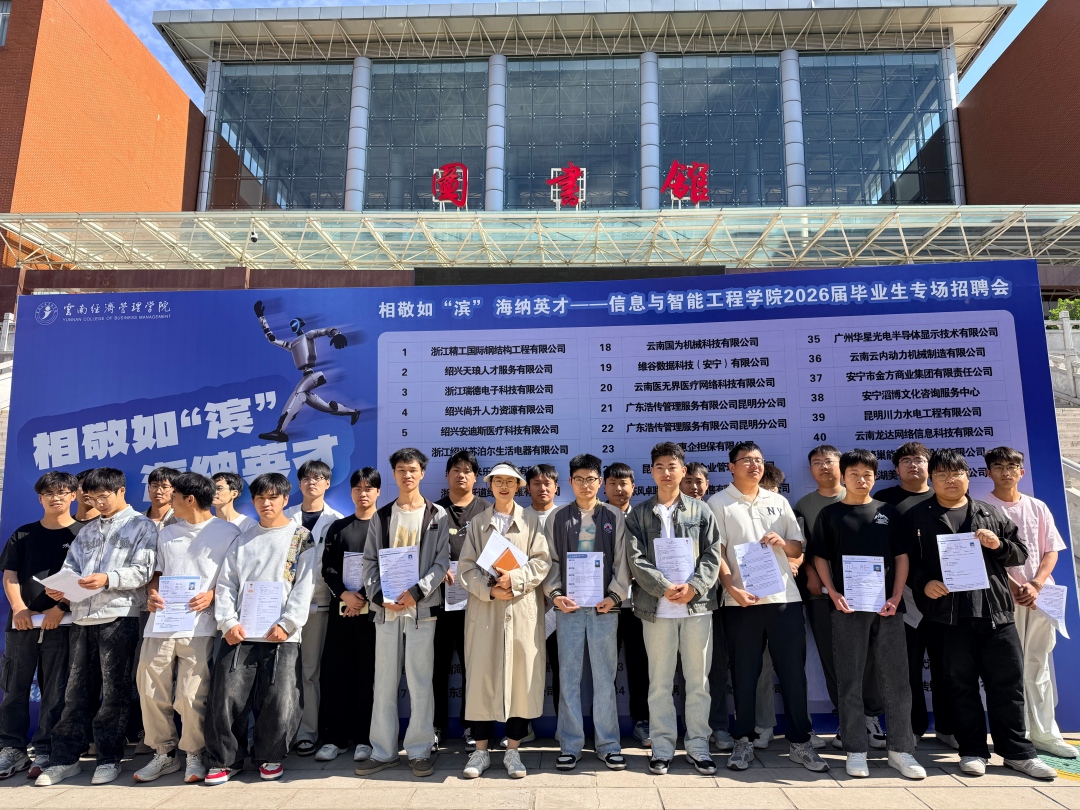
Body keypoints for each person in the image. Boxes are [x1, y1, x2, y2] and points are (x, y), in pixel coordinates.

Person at [907, 448, 1055, 780]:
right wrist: (924, 583)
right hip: (948, 617)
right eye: (942, 475)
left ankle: (1018, 753)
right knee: (960, 686)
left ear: (968, 477)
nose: (950, 480)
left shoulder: (989, 513)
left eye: (956, 473)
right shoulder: (917, 517)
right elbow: (907, 562)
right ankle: (972, 750)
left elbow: (1020, 553)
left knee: (1007, 685)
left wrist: (997, 545)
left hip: (995, 613)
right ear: (932, 479)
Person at [709, 442, 828, 773]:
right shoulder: (718, 503)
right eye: (746, 460)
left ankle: (800, 742)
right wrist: (731, 587)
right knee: (744, 674)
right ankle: (743, 741)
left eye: (759, 460)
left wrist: (782, 543)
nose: (754, 465)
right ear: (731, 467)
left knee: (793, 674)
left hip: (784, 600)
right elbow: (717, 552)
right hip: (741, 602)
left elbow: (797, 547)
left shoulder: (778, 501)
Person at [35, 468, 157, 787]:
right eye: (91, 498)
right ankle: (65, 760)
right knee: (75, 692)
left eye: (104, 497)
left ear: (121, 491)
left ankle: (108, 758)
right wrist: (61, 590)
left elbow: (145, 571)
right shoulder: (87, 530)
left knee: (114, 693)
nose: (98, 504)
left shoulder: (141, 525)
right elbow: (71, 567)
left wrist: (108, 578)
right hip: (81, 618)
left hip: (119, 616)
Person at [809, 449, 925, 780]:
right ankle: (856, 750)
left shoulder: (888, 512)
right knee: (850, 680)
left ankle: (900, 750)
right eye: (855, 474)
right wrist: (833, 592)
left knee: (897, 680)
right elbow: (820, 557)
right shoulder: (830, 514)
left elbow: (902, 557)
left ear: (875, 477)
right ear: (843, 477)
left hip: (888, 607)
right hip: (847, 608)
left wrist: (896, 595)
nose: (862, 480)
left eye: (868, 474)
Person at [204, 472, 316, 785]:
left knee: (280, 698)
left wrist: (288, 623)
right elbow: (226, 584)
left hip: (282, 634)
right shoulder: (243, 539)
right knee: (226, 696)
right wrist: (227, 621)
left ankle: (270, 755)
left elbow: (305, 585)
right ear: (252, 501)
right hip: (239, 633)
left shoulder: (301, 537)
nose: (266, 504)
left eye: (273, 497)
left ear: (285, 499)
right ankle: (226, 760)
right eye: (260, 498)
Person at [134, 473, 240, 784]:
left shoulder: (228, 533)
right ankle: (164, 754)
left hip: (201, 626)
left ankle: (194, 753)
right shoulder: (167, 533)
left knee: (192, 694)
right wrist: (153, 593)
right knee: (150, 690)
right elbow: (157, 573)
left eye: (175, 496)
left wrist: (213, 594)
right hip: (161, 624)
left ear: (189, 499)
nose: (169, 500)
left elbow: (235, 578)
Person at [627, 442, 722, 776]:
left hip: (697, 609)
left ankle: (698, 746)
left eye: (672, 466)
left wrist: (694, 586)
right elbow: (635, 558)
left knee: (698, 682)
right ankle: (663, 747)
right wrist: (663, 587)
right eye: (659, 467)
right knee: (659, 683)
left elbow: (713, 553)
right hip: (657, 610)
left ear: (683, 471)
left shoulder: (701, 511)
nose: (666, 473)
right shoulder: (639, 513)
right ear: (651, 472)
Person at [355, 448, 449, 779]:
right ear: (393, 474)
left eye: (412, 469)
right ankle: (383, 751)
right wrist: (381, 597)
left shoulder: (437, 514)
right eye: (400, 470)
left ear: (422, 473)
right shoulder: (381, 516)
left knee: (421, 680)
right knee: (384, 681)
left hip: (422, 610)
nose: (407, 475)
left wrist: (417, 592)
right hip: (386, 612)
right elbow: (369, 562)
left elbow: (441, 562)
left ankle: (420, 750)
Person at [457, 462, 550, 780]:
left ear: (519, 486)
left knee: (520, 680)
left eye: (511, 481)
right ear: (490, 485)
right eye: (498, 481)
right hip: (486, 611)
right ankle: (480, 751)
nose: (505, 486)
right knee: (482, 679)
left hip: (521, 610)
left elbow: (542, 562)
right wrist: (489, 589)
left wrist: (516, 579)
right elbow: (466, 567)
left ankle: (513, 750)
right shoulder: (477, 523)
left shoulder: (532, 521)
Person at [983, 446, 1076, 759]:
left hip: (1040, 597)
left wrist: (1035, 585)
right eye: (999, 466)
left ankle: (1046, 734)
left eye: (1012, 467)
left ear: (1021, 472)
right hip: (1002, 598)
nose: (1006, 472)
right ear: (988, 472)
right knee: (1009, 669)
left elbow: (1051, 550)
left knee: (1039, 665)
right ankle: (1017, 735)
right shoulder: (982, 509)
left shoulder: (1038, 507)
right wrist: (1016, 587)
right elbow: (985, 558)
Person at [795, 445, 884, 752]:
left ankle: (871, 717)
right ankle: (847, 718)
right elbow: (806, 547)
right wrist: (812, 575)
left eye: (829, 461)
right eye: (816, 462)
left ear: (841, 468)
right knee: (833, 657)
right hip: (822, 595)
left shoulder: (868, 501)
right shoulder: (805, 505)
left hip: (866, 594)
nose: (823, 466)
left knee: (869, 657)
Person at [545, 453, 630, 771]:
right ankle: (570, 744)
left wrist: (614, 595)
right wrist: (555, 594)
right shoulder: (557, 517)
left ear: (600, 482)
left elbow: (622, 561)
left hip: (604, 608)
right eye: (579, 479)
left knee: (605, 677)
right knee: (568, 677)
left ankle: (609, 744)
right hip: (568, 608)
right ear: (570, 482)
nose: (585, 485)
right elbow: (550, 562)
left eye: (591, 479)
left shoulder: (613, 516)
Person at [0, 472, 80, 780]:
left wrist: (61, 608)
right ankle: (12, 748)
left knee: (55, 690)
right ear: (40, 498)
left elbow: (85, 580)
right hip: (22, 624)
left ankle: (46, 748)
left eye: (62, 492)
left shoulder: (82, 534)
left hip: (63, 624)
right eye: (49, 493)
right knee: (14, 688)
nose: (55, 498)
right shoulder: (24, 534)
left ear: (73, 495)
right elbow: (10, 575)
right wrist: (19, 608)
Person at [875, 442, 955, 748]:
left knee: (947, 665)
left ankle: (947, 727)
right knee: (906, 667)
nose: (913, 465)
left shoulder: (944, 497)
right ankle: (913, 726)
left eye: (919, 460)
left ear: (930, 466)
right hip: (902, 596)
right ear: (896, 469)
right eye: (906, 460)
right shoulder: (884, 501)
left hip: (944, 595)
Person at [315, 468, 381, 763]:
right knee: (337, 674)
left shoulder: (384, 526)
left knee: (369, 675)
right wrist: (345, 594)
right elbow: (328, 567)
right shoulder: (338, 527)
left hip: (373, 614)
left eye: (369, 488)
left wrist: (363, 596)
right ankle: (335, 738)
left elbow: (388, 567)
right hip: (341, 612)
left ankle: (365, 738)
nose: (363, 493)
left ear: (378, 492)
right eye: (358, 488)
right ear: (351, 492)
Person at [285, 460, 344, 757]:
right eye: (307, 478)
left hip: (318, 606)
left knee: (309, 671)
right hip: (282, 608)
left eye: (319, 478)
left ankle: (306, 732)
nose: (312, 482)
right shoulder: (285, 517)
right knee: (282, 672)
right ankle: (280, 732)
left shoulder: (337, 521)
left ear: (327, 483)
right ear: (299, 483)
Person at [433, 450, 489, 753]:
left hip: (477, 603)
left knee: (474, 668)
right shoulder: (433, 511)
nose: (461, 475)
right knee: (437, 667)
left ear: (475, 477)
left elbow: (498, 555)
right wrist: (436, 570)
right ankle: (435, 727)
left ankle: (473, 727)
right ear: (447, 475)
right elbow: (423, 553)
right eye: (456, 469)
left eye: (467, 470)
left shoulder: (486, 511)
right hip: (439, 603)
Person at [605, 462, 651, 748]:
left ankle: (642, 721)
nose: (619, 489)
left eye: (624, 483)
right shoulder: (596, 516)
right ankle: (606, 725)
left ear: (633, 487)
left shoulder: (645, 516)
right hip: (604, 605)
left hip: (638, 606)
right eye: (613, 483)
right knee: (605, 669)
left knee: (639, 666)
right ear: (604, 486)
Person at [524, 462, 561, 742]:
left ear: (556, 487)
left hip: (561, 606)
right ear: (528, 488)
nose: (542, 488)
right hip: (527, 605)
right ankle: (523, 728)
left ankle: (565, 729)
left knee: (563, 670)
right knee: (525, 669)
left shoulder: (566, 516)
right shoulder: (519, 517)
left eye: (547, 483)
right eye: (536, 483)